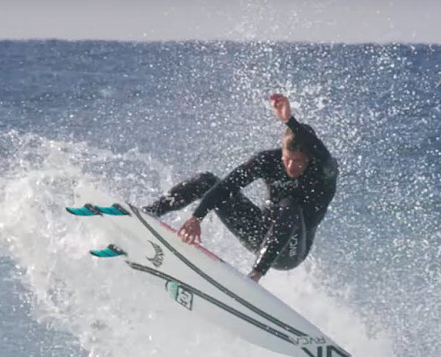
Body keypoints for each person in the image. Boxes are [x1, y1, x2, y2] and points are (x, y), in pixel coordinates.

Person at [142, 94, 338, 281]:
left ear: (310, 158)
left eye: (298, 161)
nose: (291, 167)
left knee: (290, 206)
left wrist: (289, 120)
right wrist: (197, 217)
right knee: (207, 180)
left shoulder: (324, 173)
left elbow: (321, 152)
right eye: (287, 159)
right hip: (259, 234)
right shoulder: (268, 160)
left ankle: (255, 275)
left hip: (289, 251)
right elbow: (229, 185)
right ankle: (147, 213)